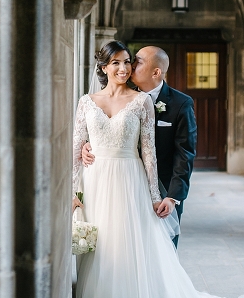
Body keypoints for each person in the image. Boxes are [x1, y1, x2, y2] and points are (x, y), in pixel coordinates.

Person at [73, 41, 244, 298]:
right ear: (104, 67)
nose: (124, 69)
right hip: (96, 185)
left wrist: (159, 196)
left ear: (154, 70)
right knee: (100, 255)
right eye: (118, 64)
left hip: (130, 184)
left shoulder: (145, 103)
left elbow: (153, 155)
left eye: (129, 63)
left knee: (131, 256)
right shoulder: (86, 102)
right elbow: (77, 147)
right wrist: (77, 186)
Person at [83, 45, 197, 247]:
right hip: (122, 185)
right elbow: (109, 130)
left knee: (162, 252)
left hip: (162, 191)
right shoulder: (121, 94)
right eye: (129, 61)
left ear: (156, 72)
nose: (130, 66)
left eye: (136, 61)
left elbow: (185, 154)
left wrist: (172, 197)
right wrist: (87, 144)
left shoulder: (181, 104)